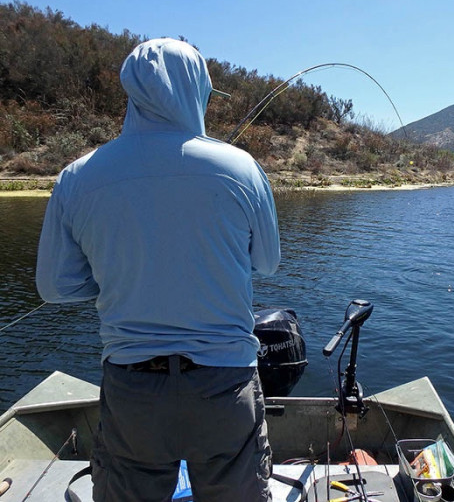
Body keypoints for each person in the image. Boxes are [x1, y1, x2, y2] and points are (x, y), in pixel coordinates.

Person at [36, 38, 280, 502]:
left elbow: (54, 287)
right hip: (224, 385)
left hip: (132, 389)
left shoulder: (76, 176)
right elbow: (266, 263)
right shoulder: (242, 168)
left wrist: (116, 275)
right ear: (196, 92)